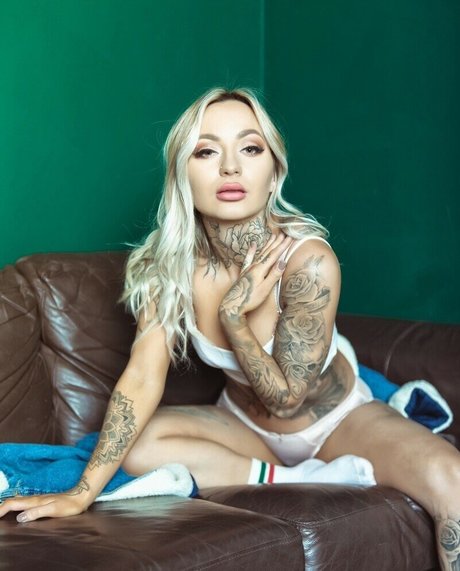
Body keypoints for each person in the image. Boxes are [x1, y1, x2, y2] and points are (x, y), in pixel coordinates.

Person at [1, 87, 459, 570]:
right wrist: (81, 492)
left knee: (450, 477)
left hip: (337, 422)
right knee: (140, 445)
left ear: (273, 171)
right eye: (206, 151)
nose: (231, 168)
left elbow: (287, 400)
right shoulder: (167, 266)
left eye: (250, 148)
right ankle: (296, 477)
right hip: (244, 425)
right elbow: (141, 377)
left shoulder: (307, 261)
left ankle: (315, 465)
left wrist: (233, 317)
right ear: (183, 171)